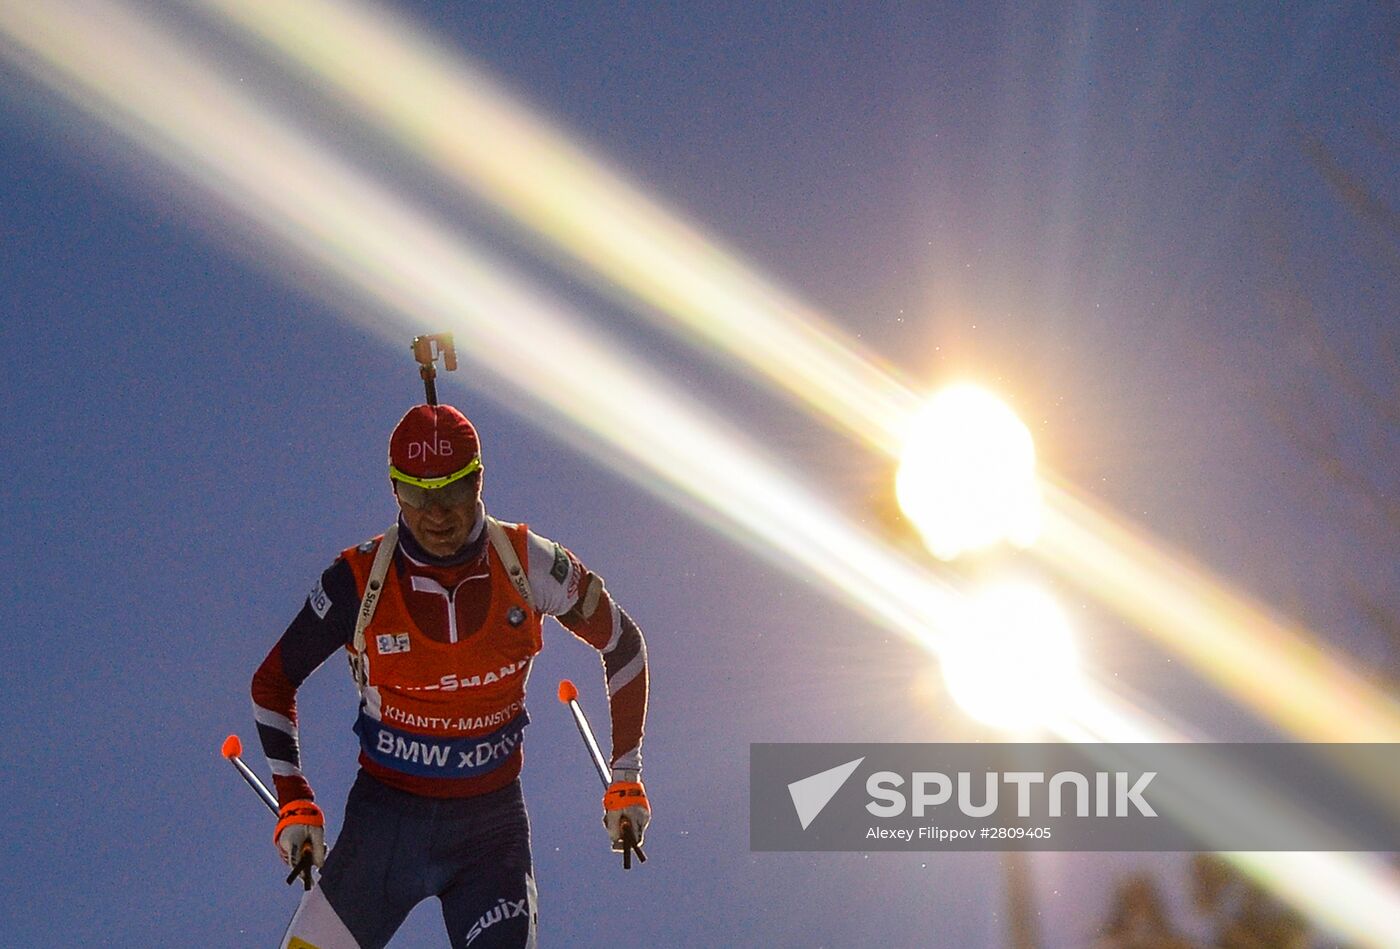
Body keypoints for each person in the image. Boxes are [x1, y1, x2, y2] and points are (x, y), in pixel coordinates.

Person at [251, 403, 650, 948]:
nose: (436, 514)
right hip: (385, 826)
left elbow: (624, 646)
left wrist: (626, 775)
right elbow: (272, 682)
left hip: (489, 833)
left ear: (479, 481)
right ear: (395, 491)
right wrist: (294, 797)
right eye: (416, 495)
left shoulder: (529, 562)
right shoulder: (357, 581)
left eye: (454, 492)